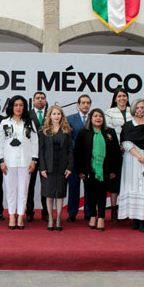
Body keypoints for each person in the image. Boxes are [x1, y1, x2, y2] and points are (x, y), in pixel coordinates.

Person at [118, 99, 144, 233]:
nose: (141, 110)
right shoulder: (128, 126)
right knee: (133, 186)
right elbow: (125, 143)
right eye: (138, 107)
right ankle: (135, 219)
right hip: (132, 159)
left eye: (143, 107)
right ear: (133, 110)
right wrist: (140, 157)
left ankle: (143, 220)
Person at [0, 95, 38, 230]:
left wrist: (34, 160)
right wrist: (1, 161)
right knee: (10, 190)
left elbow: (35, 142)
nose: (18, 107)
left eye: (21, 105)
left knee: (23, 190)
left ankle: (20, 215)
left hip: (26, 161)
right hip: (9, 162)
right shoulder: (5, 122)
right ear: (11, 107)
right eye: (16, 105)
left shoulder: (29, 122)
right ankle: (11, 215)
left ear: (24, 107)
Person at [75, 109, 121, 232]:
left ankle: (101, 217)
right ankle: (92, 216)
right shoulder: (83, 132)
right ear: (91, 118)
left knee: (101, 194)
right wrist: (80, 170)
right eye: (95, 116)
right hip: (88, 170)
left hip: (105, 170)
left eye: (100, 116)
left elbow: (116, 153)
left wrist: (114, 170)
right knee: (90, 195)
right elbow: (78, 154)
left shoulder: (109, 132)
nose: (98, 118)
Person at [38, 105, 73, 231]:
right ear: (49, 116)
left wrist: (70, 167)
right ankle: (50, 219)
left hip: (62, 167)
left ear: (61, 116)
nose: (56, 116)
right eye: (54, 114)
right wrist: (42, 168)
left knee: (60, 194)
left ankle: (58, 219)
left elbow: (70, 150)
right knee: (49, 194)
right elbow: (40, 151)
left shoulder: (67, 130)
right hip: (48, 167)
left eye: (59, 114)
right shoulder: (43, 130)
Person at [105, 87, 132, 222]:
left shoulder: (133, 111)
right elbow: (109, 132)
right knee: (115, 183)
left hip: (131, 153)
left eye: (124, 96)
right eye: (119, 96)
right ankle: (114, 210)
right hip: (115, 153)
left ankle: (127, 210)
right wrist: (118, 146)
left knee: (128, 182)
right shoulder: (109, 112)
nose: (122, 98)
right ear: (115, 99)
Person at [66, 94, 91, 222]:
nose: (85, 105)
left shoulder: (95, 118)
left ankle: (88, 212)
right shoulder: (70, 119)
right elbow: (68, 140)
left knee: (89, 188)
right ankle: (72, 213)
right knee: (73, 187)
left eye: (88, 103)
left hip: (90, 161)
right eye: (83, 103)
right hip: (74, 159)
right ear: (78, 105)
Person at [26, 91, 48, 222]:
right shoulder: (27, 115)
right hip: (30, 156)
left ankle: (46, 211)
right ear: (33, 101)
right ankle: (29, 211)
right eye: (37, 98)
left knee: (46, 185)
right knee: (29, 185)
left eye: (42, 98)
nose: (40, 100)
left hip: (46, 155)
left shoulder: (51, 114)